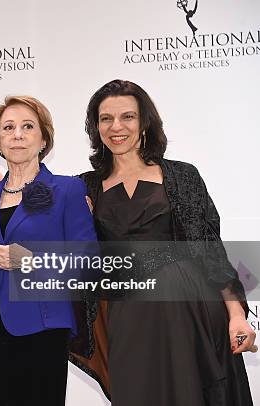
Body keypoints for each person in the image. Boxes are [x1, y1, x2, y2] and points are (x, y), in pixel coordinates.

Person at [79, 79, 256, 405]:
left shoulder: (181, 175)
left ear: (145, 121)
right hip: (127, 317)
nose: (116, 127)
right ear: (96, 126)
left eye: (127, 117)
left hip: (189, 312)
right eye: (106, 118)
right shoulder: (83, 188)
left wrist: (236, 315)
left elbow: (210, 248)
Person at [0, 96, 97, 406]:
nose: (18, 134)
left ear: (43, 139)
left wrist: (32, 260)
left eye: (28, 126)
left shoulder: (67, 190)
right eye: (8, 128)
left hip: (42, 324)